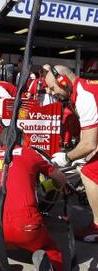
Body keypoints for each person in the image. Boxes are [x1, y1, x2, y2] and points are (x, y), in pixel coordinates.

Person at [0, 127, 66, 271]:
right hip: (27, 226)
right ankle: (48, 262)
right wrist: (51, 185)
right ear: (24, 140)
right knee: (48, 246)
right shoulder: (31, 153)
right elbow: (61, 179)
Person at [44, 65, 98, 242]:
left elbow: (89, 143)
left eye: (52, 88)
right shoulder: (84, 90)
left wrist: (67, 157)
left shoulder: (85, 97)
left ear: (63, 81)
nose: (52, 93)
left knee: (89, 171)